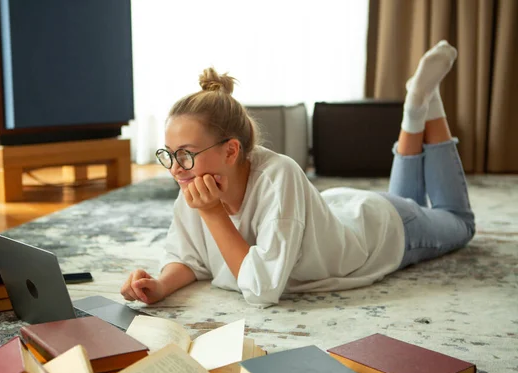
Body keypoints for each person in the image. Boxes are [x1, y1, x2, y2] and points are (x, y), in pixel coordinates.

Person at [121, 40, 475, 308]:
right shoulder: (194, 184)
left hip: (385, 232)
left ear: (230, 150)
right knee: (411, 200)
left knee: (459, 222)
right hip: (343, 211)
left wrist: (213, 213)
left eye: (185, 155)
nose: (175, 169)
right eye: (169, 155)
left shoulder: (278, 175)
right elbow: (189, 258)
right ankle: (416, 110)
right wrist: (162, 285)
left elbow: (261, 290)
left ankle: (423, 107)